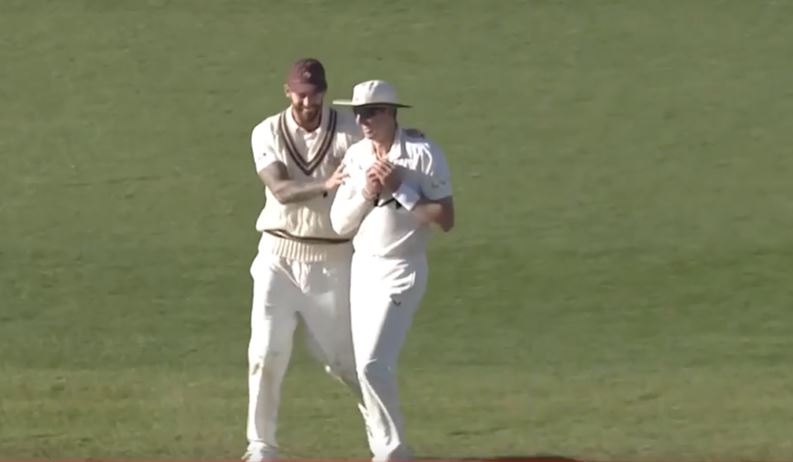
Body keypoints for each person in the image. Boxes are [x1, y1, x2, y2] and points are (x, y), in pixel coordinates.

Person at [329, 80, 455, 461]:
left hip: (403, 269)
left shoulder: (423, 153)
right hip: (363, 269)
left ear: (391, 113)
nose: (363, 121)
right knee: (355, 365)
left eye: (371, 113)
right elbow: (340, 225)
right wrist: (368, 193)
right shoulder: (355, 156)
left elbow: (445, 219)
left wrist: (400, 188)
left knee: (372, 364)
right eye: (358, 113)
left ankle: (392, 453)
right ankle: (386, 447)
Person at [244, 58, 363, 462]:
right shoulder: (267, 131)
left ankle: (385, 439)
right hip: (277, 256)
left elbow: (384, 145)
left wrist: (409, 142)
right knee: (266, 353)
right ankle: (261, 446)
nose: (308, 102)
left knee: (344, 361)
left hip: (333, 259)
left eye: (315, 94)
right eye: (301, 94)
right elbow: (280, 189)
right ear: (287, 91)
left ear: (325, 92)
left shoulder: (350, 130)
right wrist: (326, 184)